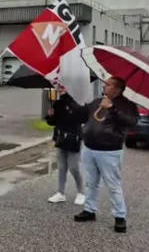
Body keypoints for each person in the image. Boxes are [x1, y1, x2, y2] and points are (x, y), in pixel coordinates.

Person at [60, 77, 138, 233]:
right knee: (91, 182)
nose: (104, 86)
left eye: (108, 84)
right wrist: (67, 98)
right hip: (90, 148)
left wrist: (113, 109)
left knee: (113, 185)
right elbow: (82, 114)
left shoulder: (127, 105)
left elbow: (131, 122)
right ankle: (89, 210)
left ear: (118, 89)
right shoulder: (98, 101)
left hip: (109, 151)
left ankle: (120, 216)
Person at [45, 87, 85, 205]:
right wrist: (50, 116)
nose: (60, 89)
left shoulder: (78, 102)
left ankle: (81, 192)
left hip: (74, 138)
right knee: (62, 167)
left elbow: (80, 118)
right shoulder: (58, 103)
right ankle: (60, 193)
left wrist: (68, 105)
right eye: (59, 87)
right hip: (60, 137)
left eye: (63, 87)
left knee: (74, 167)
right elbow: (53, 122)